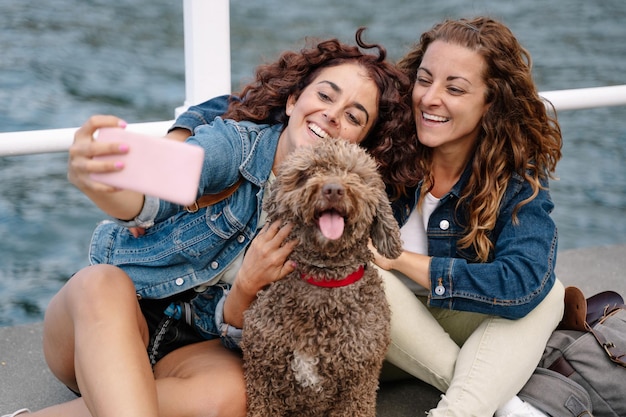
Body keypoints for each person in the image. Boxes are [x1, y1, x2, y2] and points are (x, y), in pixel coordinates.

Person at [2, 29, 418, 417]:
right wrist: (104, 178)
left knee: (237, 396)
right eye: (325, 96)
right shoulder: (234, 146)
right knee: (102, 283)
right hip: (102, 322)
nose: (332, 116)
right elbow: (161, 187)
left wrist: (244, 291)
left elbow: (246, 333)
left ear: (360, 142)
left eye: (354, 117)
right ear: (293, 102)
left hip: (192, 350)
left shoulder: (334, 221)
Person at [369, 17, 565, 417]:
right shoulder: (382, 145)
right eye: (424, 80)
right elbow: (301, 100)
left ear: (490, 102)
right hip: (371, 341)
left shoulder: (512, 181)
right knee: (363, 276)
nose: (429, 98)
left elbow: (522, 281)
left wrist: (402, 260)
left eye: (454, 88)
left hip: (450, 321)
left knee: (549, 294)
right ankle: (500, 404)